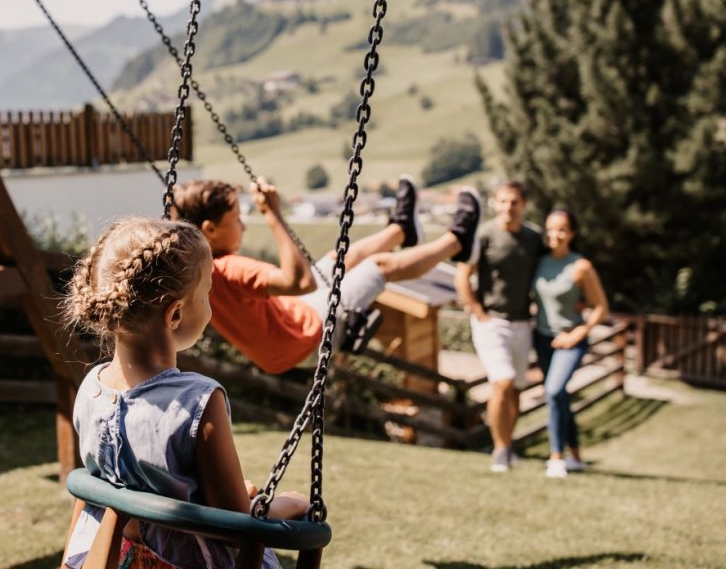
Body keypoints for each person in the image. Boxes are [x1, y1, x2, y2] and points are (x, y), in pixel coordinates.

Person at [61, 217, 309, 569]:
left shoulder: (90, 389)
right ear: (175, 314)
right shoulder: (198, 401)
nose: (210, 304)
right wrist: (289, 503)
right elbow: (234, 527)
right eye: (207, 293)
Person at [171, 175, 483, 374]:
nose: (243, 227)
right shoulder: (228, 267)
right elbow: (300, 282)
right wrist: (273, 214)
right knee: (379, 267)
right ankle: (458, 240)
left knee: (341, 259)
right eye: (237, 220)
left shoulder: (189, 268)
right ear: (211, 230)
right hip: (306, 338)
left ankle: (402, 229)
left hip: (291, 325)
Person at [454, 180, 544, 472]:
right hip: (491, 322)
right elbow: (462, 276)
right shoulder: (484, 235)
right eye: (503, 201)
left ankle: (508, 445)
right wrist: (479, 312)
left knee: (516, 389)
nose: (508, 207)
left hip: (522, 322)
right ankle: (500, 450)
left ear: (524, 205)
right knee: (502, 382)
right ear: (494, 203)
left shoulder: (533, 238)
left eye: (514, 202)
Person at [533, 208, 608, 478]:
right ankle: (576, 456)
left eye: (562, 229)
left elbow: (601, 307)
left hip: (571, 340)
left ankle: (556, 457)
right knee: (560, 396)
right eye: (551, 229)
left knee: (553, 391)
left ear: (572, 233)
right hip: (543, 339)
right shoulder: (539, 262)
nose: (555, 234)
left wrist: (578, 333)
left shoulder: (581, 266)